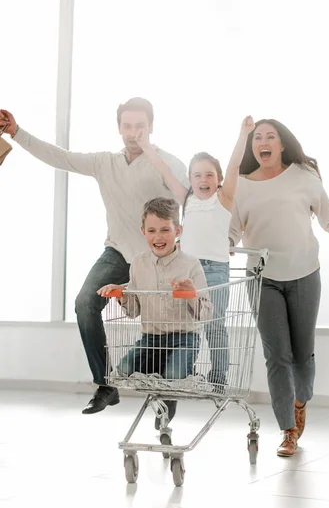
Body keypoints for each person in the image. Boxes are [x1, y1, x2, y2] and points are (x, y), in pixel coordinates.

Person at [0, 99, 189, 414]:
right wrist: (17, 132)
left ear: (151, 127)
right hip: (116, 253)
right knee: (85, 302)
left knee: (161, 327)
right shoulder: (106, 163)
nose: (133, 133)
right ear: (119, 128)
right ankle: (105, 383)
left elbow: (190, 199)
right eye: (127, 126)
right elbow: (61, 157)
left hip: (157, 259)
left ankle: (165, 396)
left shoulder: (166, 163)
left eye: (140, 126)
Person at [229, 118, 329, 457]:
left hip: (304, 274)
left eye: (271, 136)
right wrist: (217, 246)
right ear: (252, 146)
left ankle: (301, 400)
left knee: (302, 355)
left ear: (282, 144)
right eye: (257, 137)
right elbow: (232, 231)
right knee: (276, 356)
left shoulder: (303, 176)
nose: (263, 141)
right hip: (261, 278)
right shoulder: (241, 185)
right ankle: (287, 430)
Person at [135, 116, 255, 391]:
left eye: (209, 175)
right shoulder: (186, 198)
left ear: (219, 180)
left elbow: (235, 164)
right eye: (197, 175)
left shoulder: (224, 198)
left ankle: (219, 377)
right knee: (186, 326)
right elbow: (164, 170)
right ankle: (182, 374)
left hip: (214, 270)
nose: (203, 180)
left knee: (213, 325)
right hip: (186, 270)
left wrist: (243, 134)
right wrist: (146, 145)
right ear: (190, 179)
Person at [98, 197, 211, 428]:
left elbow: (206, 314)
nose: (158, 237)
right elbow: (134, 310)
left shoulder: (191, 264)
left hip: (184, 339)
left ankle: (164, 418)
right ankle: (161, 376)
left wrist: (191, 295)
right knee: (122, 372)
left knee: (173, 376)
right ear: (143, 232)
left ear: (177, 230)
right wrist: (121, 295)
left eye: (164, 230)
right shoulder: (138, 263)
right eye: (152, 230)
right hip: (151, 339)